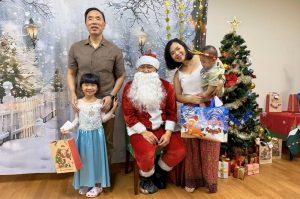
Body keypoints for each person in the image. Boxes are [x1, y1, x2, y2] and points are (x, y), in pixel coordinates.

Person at [164, 38, 224, 193]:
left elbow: (219, 72)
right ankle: (193, 180)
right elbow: (177, 95)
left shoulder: (201, 58)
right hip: (190, 110)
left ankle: (210, 181)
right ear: (171, 58)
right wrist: (189, 98)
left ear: (184, 47)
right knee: (191, 149)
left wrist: (221, 83)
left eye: (178, 48)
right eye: (172, 53)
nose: (177, 53)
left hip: (210, 106)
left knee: (210, 146)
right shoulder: (178, 74)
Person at [122, 53, 186, 194]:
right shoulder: (129, 87)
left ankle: (158, 171)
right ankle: (146, 178)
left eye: (149, 67)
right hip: (140, 129)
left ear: (156, 70)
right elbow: (128, 115)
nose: (145, 70)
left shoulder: (167, 87)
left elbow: (171, 112)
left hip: (163, 128)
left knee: (179, 150)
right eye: (142, 67)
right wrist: (143, 132)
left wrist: (169, 133)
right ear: (138, 70)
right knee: (145, 154)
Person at [67, 7, 125, 161]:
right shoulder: (76, 48)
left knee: (106, 141)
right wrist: (73, 95)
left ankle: (102, 180)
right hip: (83, 103)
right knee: (86, 141)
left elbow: (120, 76)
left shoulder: (114, 50)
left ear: (104, 24)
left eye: (98, 18)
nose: (94, 22)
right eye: (90, 18)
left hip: (106, 102)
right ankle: (88, 176)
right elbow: (71, 73)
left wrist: (111, 96)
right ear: (86, 23)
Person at [61, 73, 118, 197]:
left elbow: (102, 119)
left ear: (97, 87)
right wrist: (67, 128)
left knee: (97, 160)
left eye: (93, 85)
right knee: (85, 160)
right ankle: (87, 182)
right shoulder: (78, 103)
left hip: (97, 136)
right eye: (86, 85)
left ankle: (98, 185)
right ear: (81, 87)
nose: (89, 88)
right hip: (83, 137)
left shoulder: (100, 103)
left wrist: (113, 110)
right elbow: (76, 120)